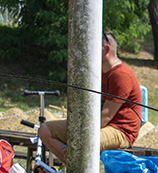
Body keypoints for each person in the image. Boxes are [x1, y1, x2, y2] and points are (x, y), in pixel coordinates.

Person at [38, 30, 142, 165]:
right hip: (98, 126)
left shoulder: (122, 75)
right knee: (45, 129)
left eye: (92, 47)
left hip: (120, 131)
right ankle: (71, 161)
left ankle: (75, 163)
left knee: (82, 144)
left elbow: (105, 117)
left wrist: (78, 134)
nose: (88, 52)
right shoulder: (98, 73)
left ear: (106, 49)